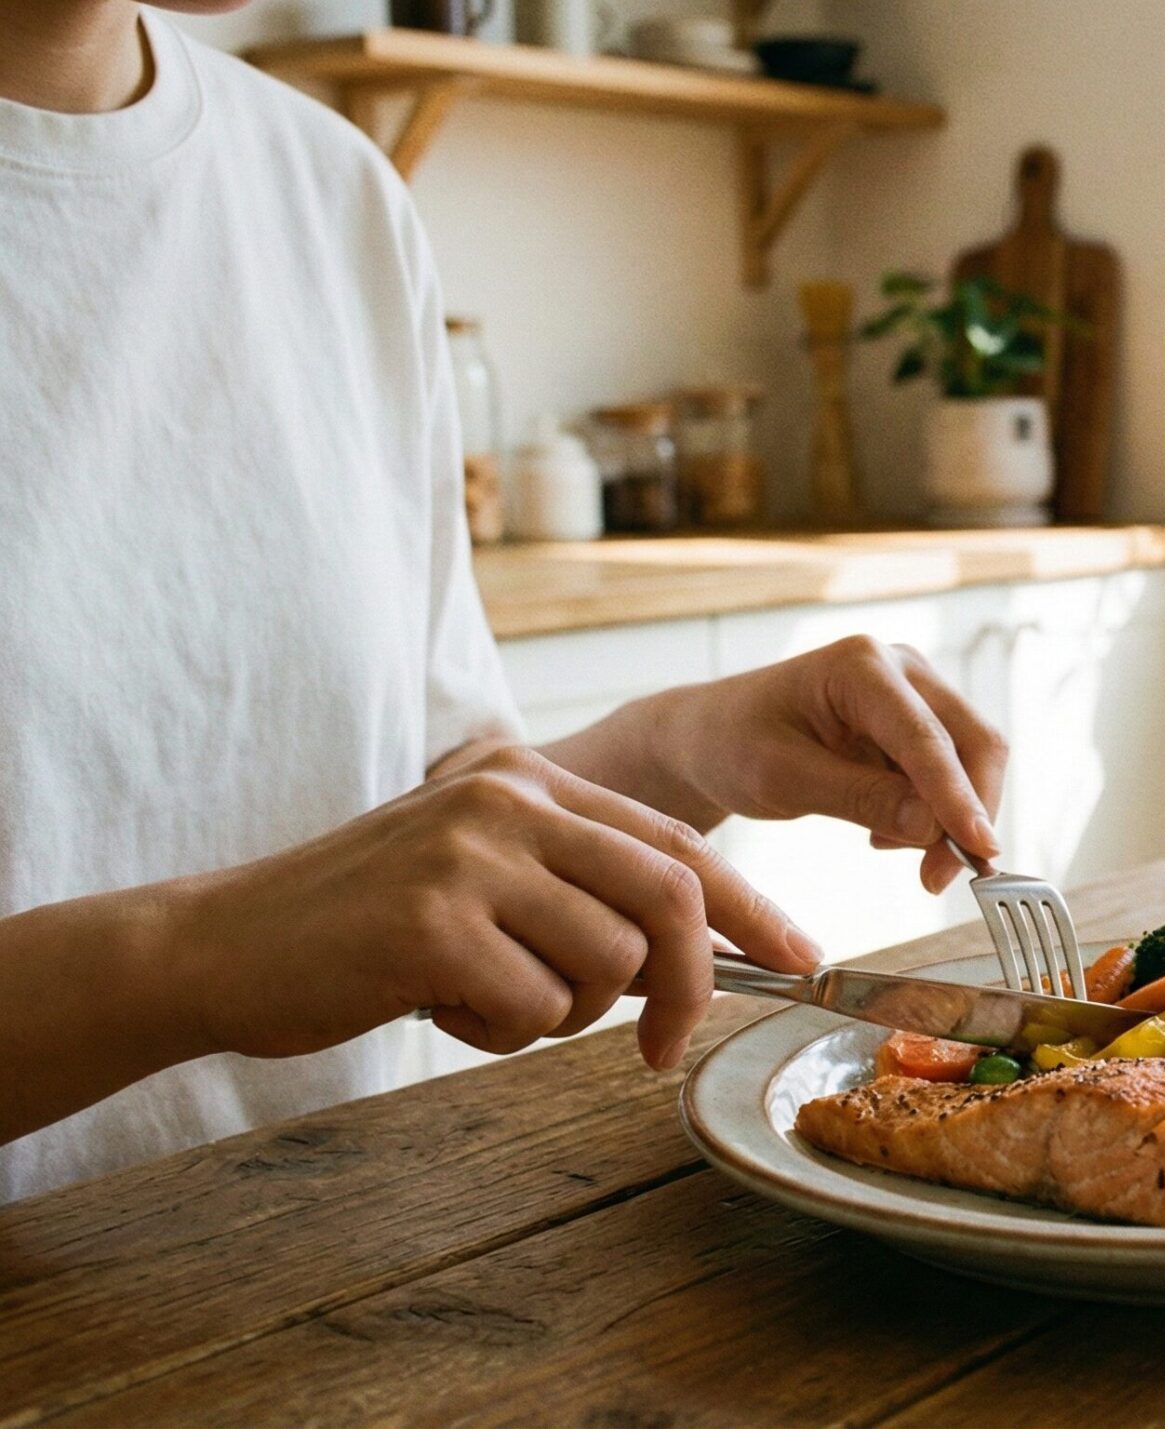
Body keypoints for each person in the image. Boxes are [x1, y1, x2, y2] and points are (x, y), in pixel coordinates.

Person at [0, 0, 1008, 1201]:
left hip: (320, 1291)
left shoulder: (331, 193)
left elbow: (408, 828)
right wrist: (200, 956)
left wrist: (677, 749)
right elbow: (284, 915)